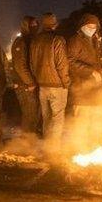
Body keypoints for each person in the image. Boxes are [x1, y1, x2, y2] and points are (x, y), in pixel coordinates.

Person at [67, 13, 102, 151]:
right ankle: (80, 149)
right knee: (82, 121)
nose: (92, 28)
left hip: (96, 89)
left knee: (97, 119)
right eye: (89, 26)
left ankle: (94, 148)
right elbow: (70, 61)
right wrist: (91, 72)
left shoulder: (95, 40)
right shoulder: (76, 40)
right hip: (81, 88)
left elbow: (95, 60)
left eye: (94, 26)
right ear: (82, 26)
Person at [29, 13, 69, 158]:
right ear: (55, 24)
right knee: (57, 119)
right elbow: (62, 64)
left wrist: (37, 79)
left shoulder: (35, 41)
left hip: (42, 86)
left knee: (46, 118)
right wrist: (66, 83)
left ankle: (47, 148)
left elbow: (32, 64)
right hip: (57, 85)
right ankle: (54, 150)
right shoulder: (57, 40)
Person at [10, 16, 40, 135]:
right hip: (25, 85)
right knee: (29, 114)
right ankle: (27, 143)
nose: (35, 27)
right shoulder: (21, 42)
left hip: (29, 83)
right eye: (32, 25)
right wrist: (30, 82)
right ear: (26, 26)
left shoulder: (30, 41)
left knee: (33, 114)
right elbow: (20, 65)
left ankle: (30, 139)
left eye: (35, 24)